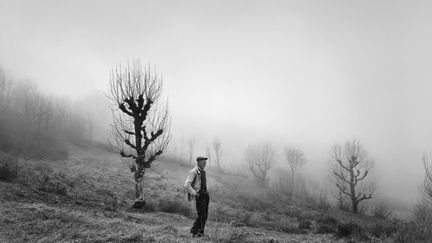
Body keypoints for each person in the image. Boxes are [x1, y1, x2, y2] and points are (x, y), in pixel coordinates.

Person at [184, 156, 209, 237]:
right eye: (203, 161)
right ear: (198, 162)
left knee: (205, 215)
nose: (205, 163)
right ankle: (195, 231)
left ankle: (200, 232)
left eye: (205, 162)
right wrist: (195, 194)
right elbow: (187, 184)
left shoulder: (203, 171)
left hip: (205, 195)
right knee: (202, 215)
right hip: (199, 196)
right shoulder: (194, 171)